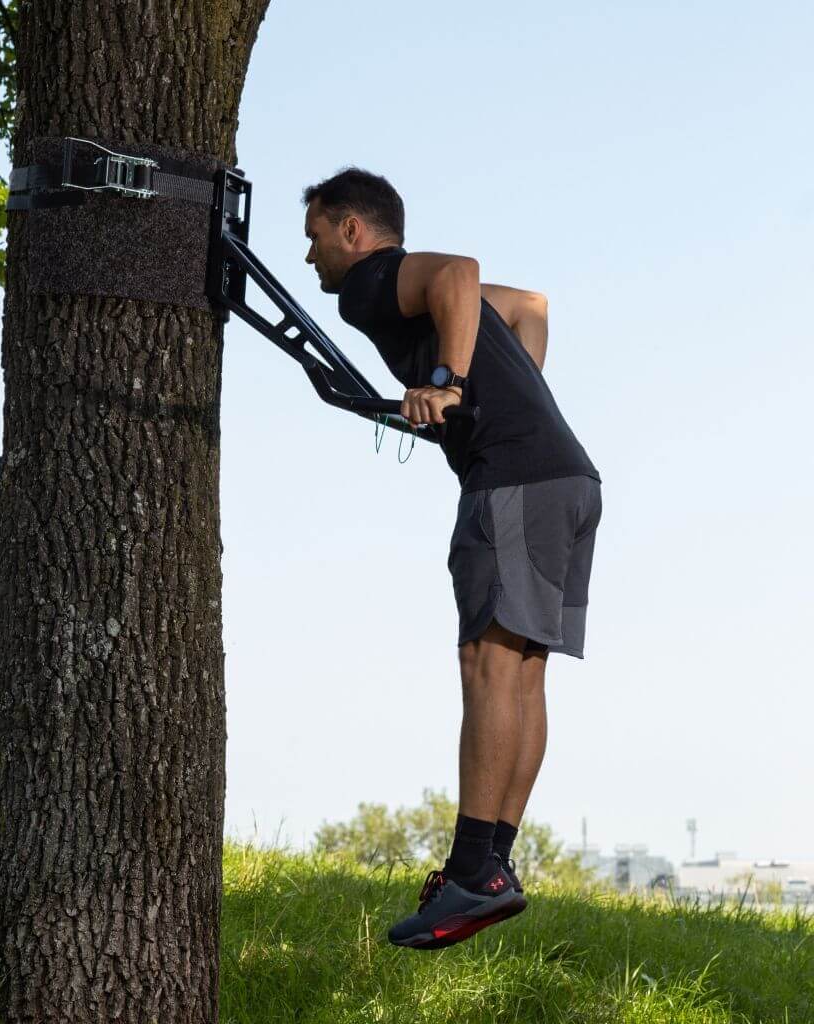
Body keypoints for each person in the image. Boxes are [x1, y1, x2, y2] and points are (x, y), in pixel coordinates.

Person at [301, 168, 602, 950]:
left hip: (515, 478)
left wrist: (450, 382)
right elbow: (529, 307)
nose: (311, 258)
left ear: (352, 231)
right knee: (522, 668)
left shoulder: (369, 283)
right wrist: (501, 394)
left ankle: (473, 870)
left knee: (487, 665)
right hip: (565, 476)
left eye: (315, 237)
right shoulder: (432, 303)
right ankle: (490, 869)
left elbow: (458, 272)